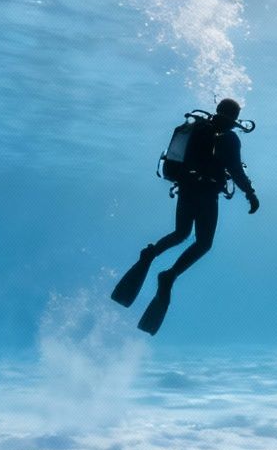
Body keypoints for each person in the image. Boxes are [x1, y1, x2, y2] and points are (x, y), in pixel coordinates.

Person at [111, 98, 259, 335]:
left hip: (186, 188)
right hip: (207, 193)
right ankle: (169, 276)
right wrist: (250, 193)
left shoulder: (197, 128)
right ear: (233, 116)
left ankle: (150, 255)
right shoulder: (229, 138)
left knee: (180, 233)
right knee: (203, 243)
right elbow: (235, 170)